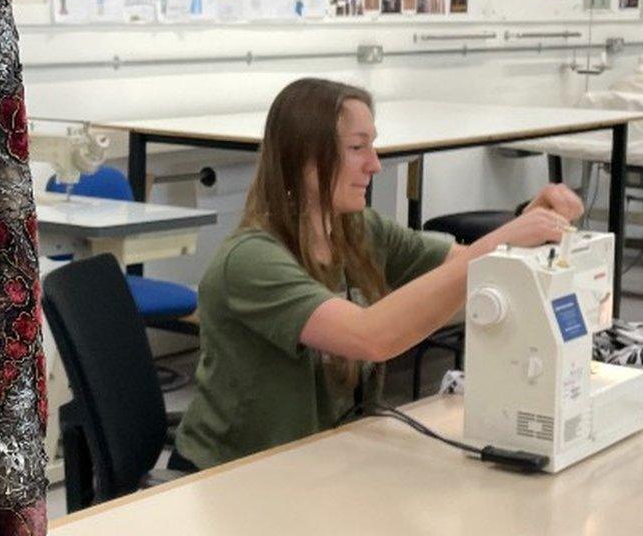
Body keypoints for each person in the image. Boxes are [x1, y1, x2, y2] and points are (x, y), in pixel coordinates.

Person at [170, 79, 584, 472]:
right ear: (306, 159)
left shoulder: (359, 230)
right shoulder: (249, 261)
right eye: (357, 148)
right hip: (235, 474)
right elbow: (369, 336)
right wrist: (500, 244)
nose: (375, 165)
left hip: (323, 459)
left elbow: (470, 266)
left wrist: (527, 224)